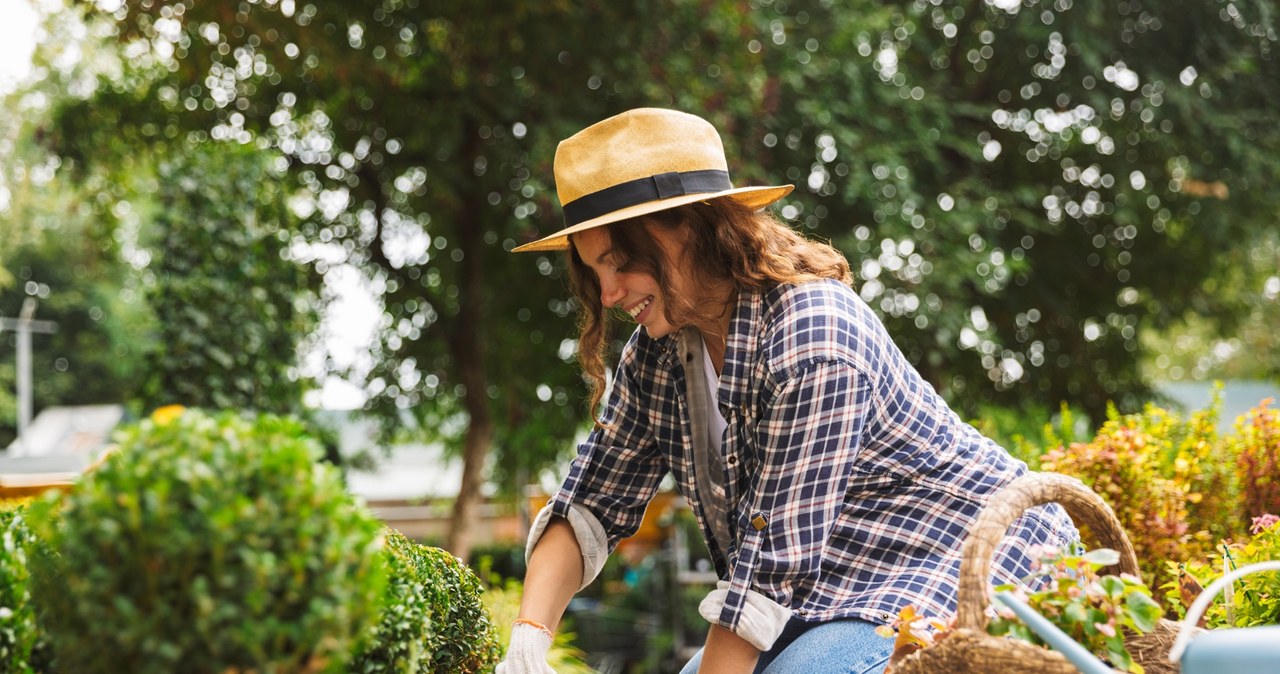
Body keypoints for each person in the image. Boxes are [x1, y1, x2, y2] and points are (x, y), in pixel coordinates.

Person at [498, 108, 1077, 674]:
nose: (606, 293)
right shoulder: (657, 356)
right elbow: (590, 504)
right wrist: (527, 641)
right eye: (592, 270)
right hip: (823, 595)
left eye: (619, 261)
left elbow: (771, 564)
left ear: (694, 228)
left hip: (962, 560)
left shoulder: (813, 335)